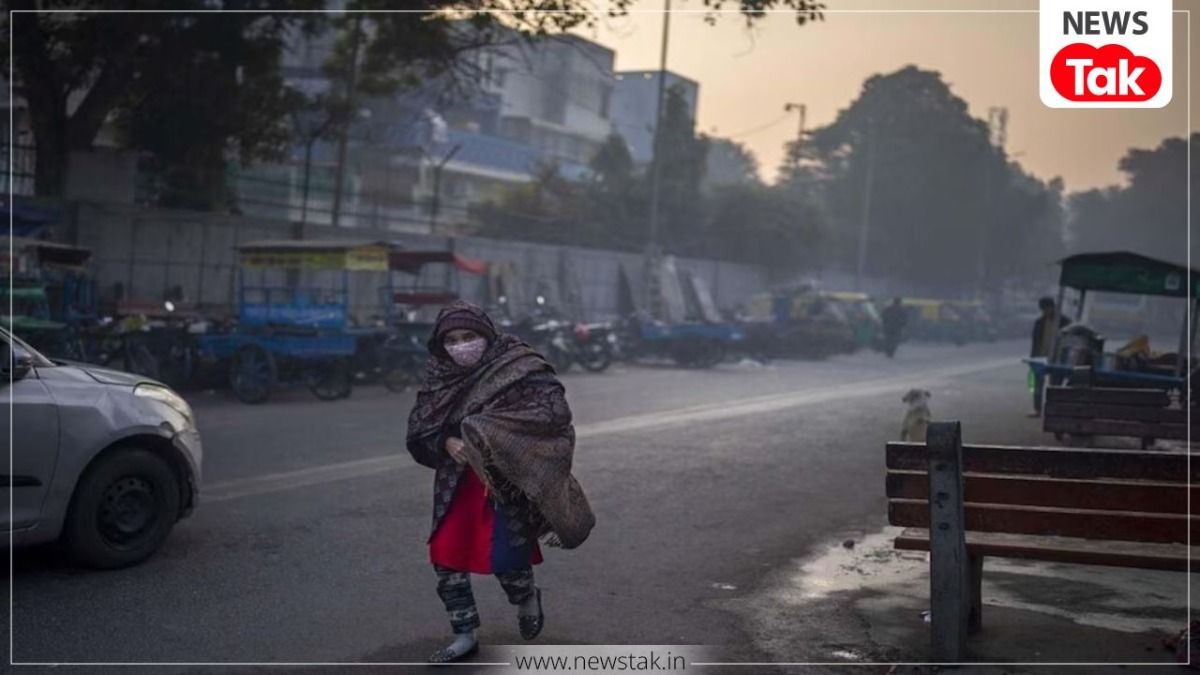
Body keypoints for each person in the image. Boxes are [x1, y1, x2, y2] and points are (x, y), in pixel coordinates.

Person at [406, 301, 595, 663]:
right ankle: (464, 635)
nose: (461, 345)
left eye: (469, 336)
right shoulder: (439, 374)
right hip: (457, 485)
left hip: (504, 482)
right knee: (445, 558)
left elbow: (553, 413)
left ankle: (525, 598)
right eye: (452, 339)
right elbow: (419, 428)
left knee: (506, 557)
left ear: (487, 335)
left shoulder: (519, 365)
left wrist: (485, 432)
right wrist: (445, 441)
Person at [1028, 296, 1071, 417]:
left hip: (1058, 358)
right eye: (1043, 310)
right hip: (1040, 357)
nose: (1045, 312)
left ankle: (1054, 409)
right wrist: (1033, 358)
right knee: (1037, 385)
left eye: (1047, 309)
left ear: (1052, 307)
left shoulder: (1065, 322)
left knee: (1055, 385)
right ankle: (1037, 409)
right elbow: (1035, 341)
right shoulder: (1039, 322)